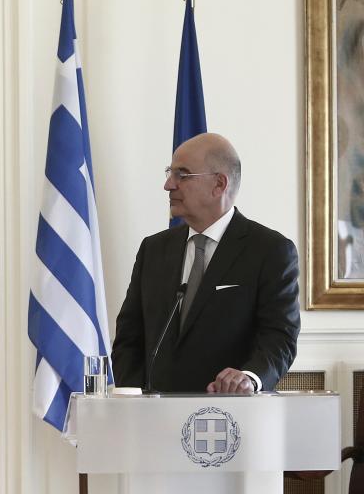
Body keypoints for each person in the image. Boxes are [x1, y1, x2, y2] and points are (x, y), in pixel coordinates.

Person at [111, 133, 300, 393]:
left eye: (182, 175)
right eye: (170, 173)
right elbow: (128, 340)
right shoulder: (153, 249)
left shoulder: (270, 250)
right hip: (154, 419)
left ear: (219, 184)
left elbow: (279, 338)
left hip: (231, 419)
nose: (168, 185)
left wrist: (249, 378)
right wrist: (133, 400)